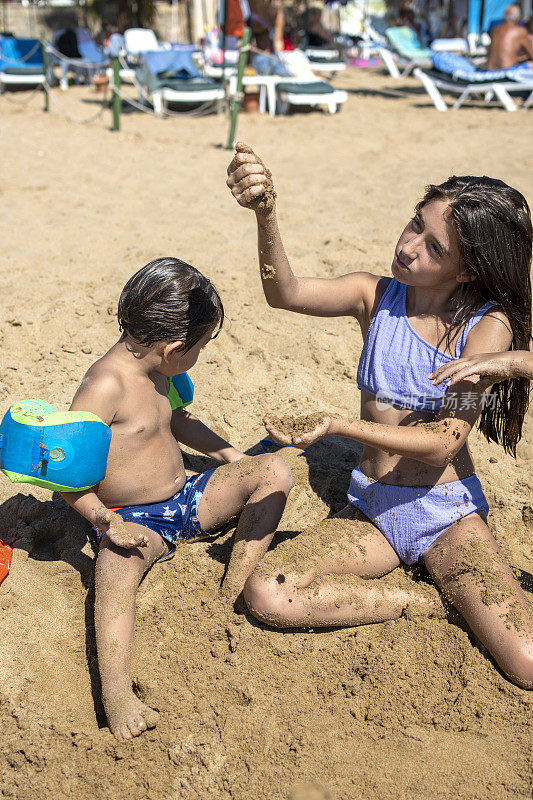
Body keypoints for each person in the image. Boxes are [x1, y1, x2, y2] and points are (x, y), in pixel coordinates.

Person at [226, 143, 533, 689]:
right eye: (415, 224)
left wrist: (338, 426)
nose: (409, 246)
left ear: (468, 271)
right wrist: (266, 212)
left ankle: (449, 587)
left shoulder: (485, 329)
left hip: (444, 515)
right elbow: (285, 293)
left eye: (434, 246)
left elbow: (443, 443)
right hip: (374, 508)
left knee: (527, 663)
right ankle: (414, 601)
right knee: (269, 591)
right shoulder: (376, 295)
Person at [61, 258, 293, 741]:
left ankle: (234, 585)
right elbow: (66, 476)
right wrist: (103, 521)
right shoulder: (105, 386)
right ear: (172, 349)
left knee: (274, 469)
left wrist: (230, 455)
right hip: (135, 519)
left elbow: (179, 421)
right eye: (201, 348)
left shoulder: (158, 371)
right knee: (113, 574)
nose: (201, 356)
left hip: (187, 496)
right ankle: (118, 693)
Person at [486, 4, 533, 70]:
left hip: (490, 70)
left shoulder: (494, 30)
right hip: (507, 71)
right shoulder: (520, 31)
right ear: (518, 18)